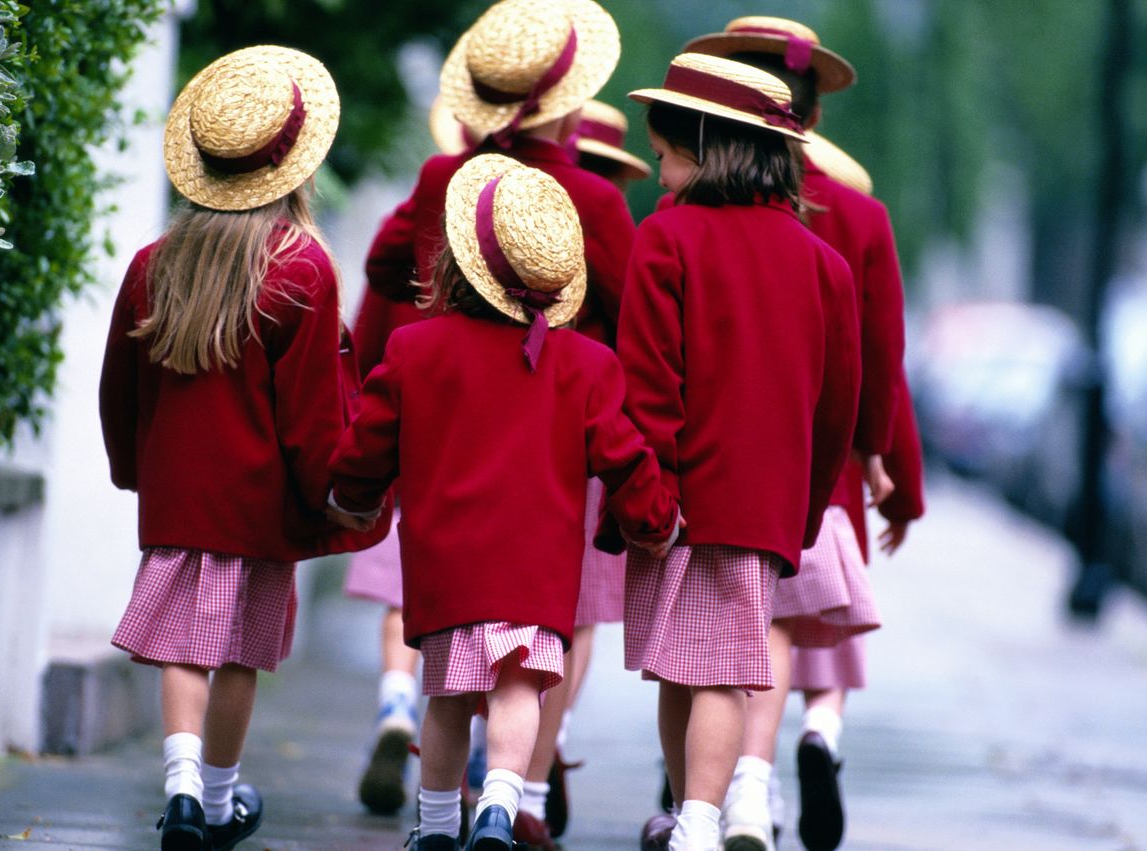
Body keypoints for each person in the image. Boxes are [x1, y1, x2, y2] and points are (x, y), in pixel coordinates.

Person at [327, 153, 682, 851]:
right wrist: (656, 521)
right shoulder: (587, 364)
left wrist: (349, 497)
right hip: (538, 570)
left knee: (449, 698)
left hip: (450, 565)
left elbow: (367, 445)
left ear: (460, 262)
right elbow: (623, 455)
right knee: (520, 689)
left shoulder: (415, 347)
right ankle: (499, 804)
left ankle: (434, 823)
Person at [348, 2, 633, 844]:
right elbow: (631, 322)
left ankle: (439, 815)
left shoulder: (448, 180)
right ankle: (523, 797)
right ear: (571, 104)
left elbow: (380, 266)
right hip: (560, 442)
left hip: (453, 433)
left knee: (448, 651)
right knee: (547, 632)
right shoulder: (596, 200)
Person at [99, 46, 388, 851]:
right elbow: (309, 418)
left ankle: (182, 785)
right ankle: (219, 800)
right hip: (256, 505)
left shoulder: (154, 265)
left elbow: (119, 391)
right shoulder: (301, 269)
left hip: (177, 498)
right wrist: (331, 497)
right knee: (235, 656)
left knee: (183, 650)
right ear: (292, 166)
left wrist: (136, 472)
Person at [617, 53, 861, 851]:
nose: (659, 174)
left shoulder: (665, 240)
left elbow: (649, 386)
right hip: (762, 507)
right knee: (718, 664)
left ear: (704, 147)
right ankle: (694, 817)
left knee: (682, 669)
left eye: (663, 156)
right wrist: (806, 506)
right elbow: (837, 406)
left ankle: (690, 818)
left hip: (674, 498)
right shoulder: (824, 265)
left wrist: (645, 498)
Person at [683, 17, 911, 851]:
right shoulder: (859, 216)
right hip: (822, 458)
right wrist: (881, 461)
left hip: (710, 456)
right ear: (811, 115)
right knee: (775, 621)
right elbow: (879, 359)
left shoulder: (688, 207)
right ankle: (756, 777)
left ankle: (722, 789)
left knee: (724, 635)